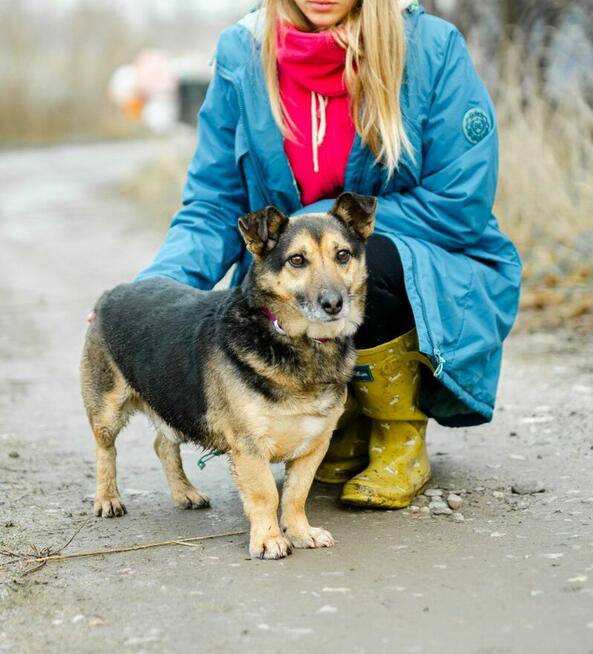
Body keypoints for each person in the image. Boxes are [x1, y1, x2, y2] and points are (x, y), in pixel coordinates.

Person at [135, 0, 522, 509]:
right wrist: (154, 287)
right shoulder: (244, 52)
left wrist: (315, 223)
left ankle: (395, 434)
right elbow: (215, 202)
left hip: (435, 264)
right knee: (315, 267)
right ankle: (338, 424)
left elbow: (460, 200)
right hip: (296, 285)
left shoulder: (430, 47)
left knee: (358, 258)